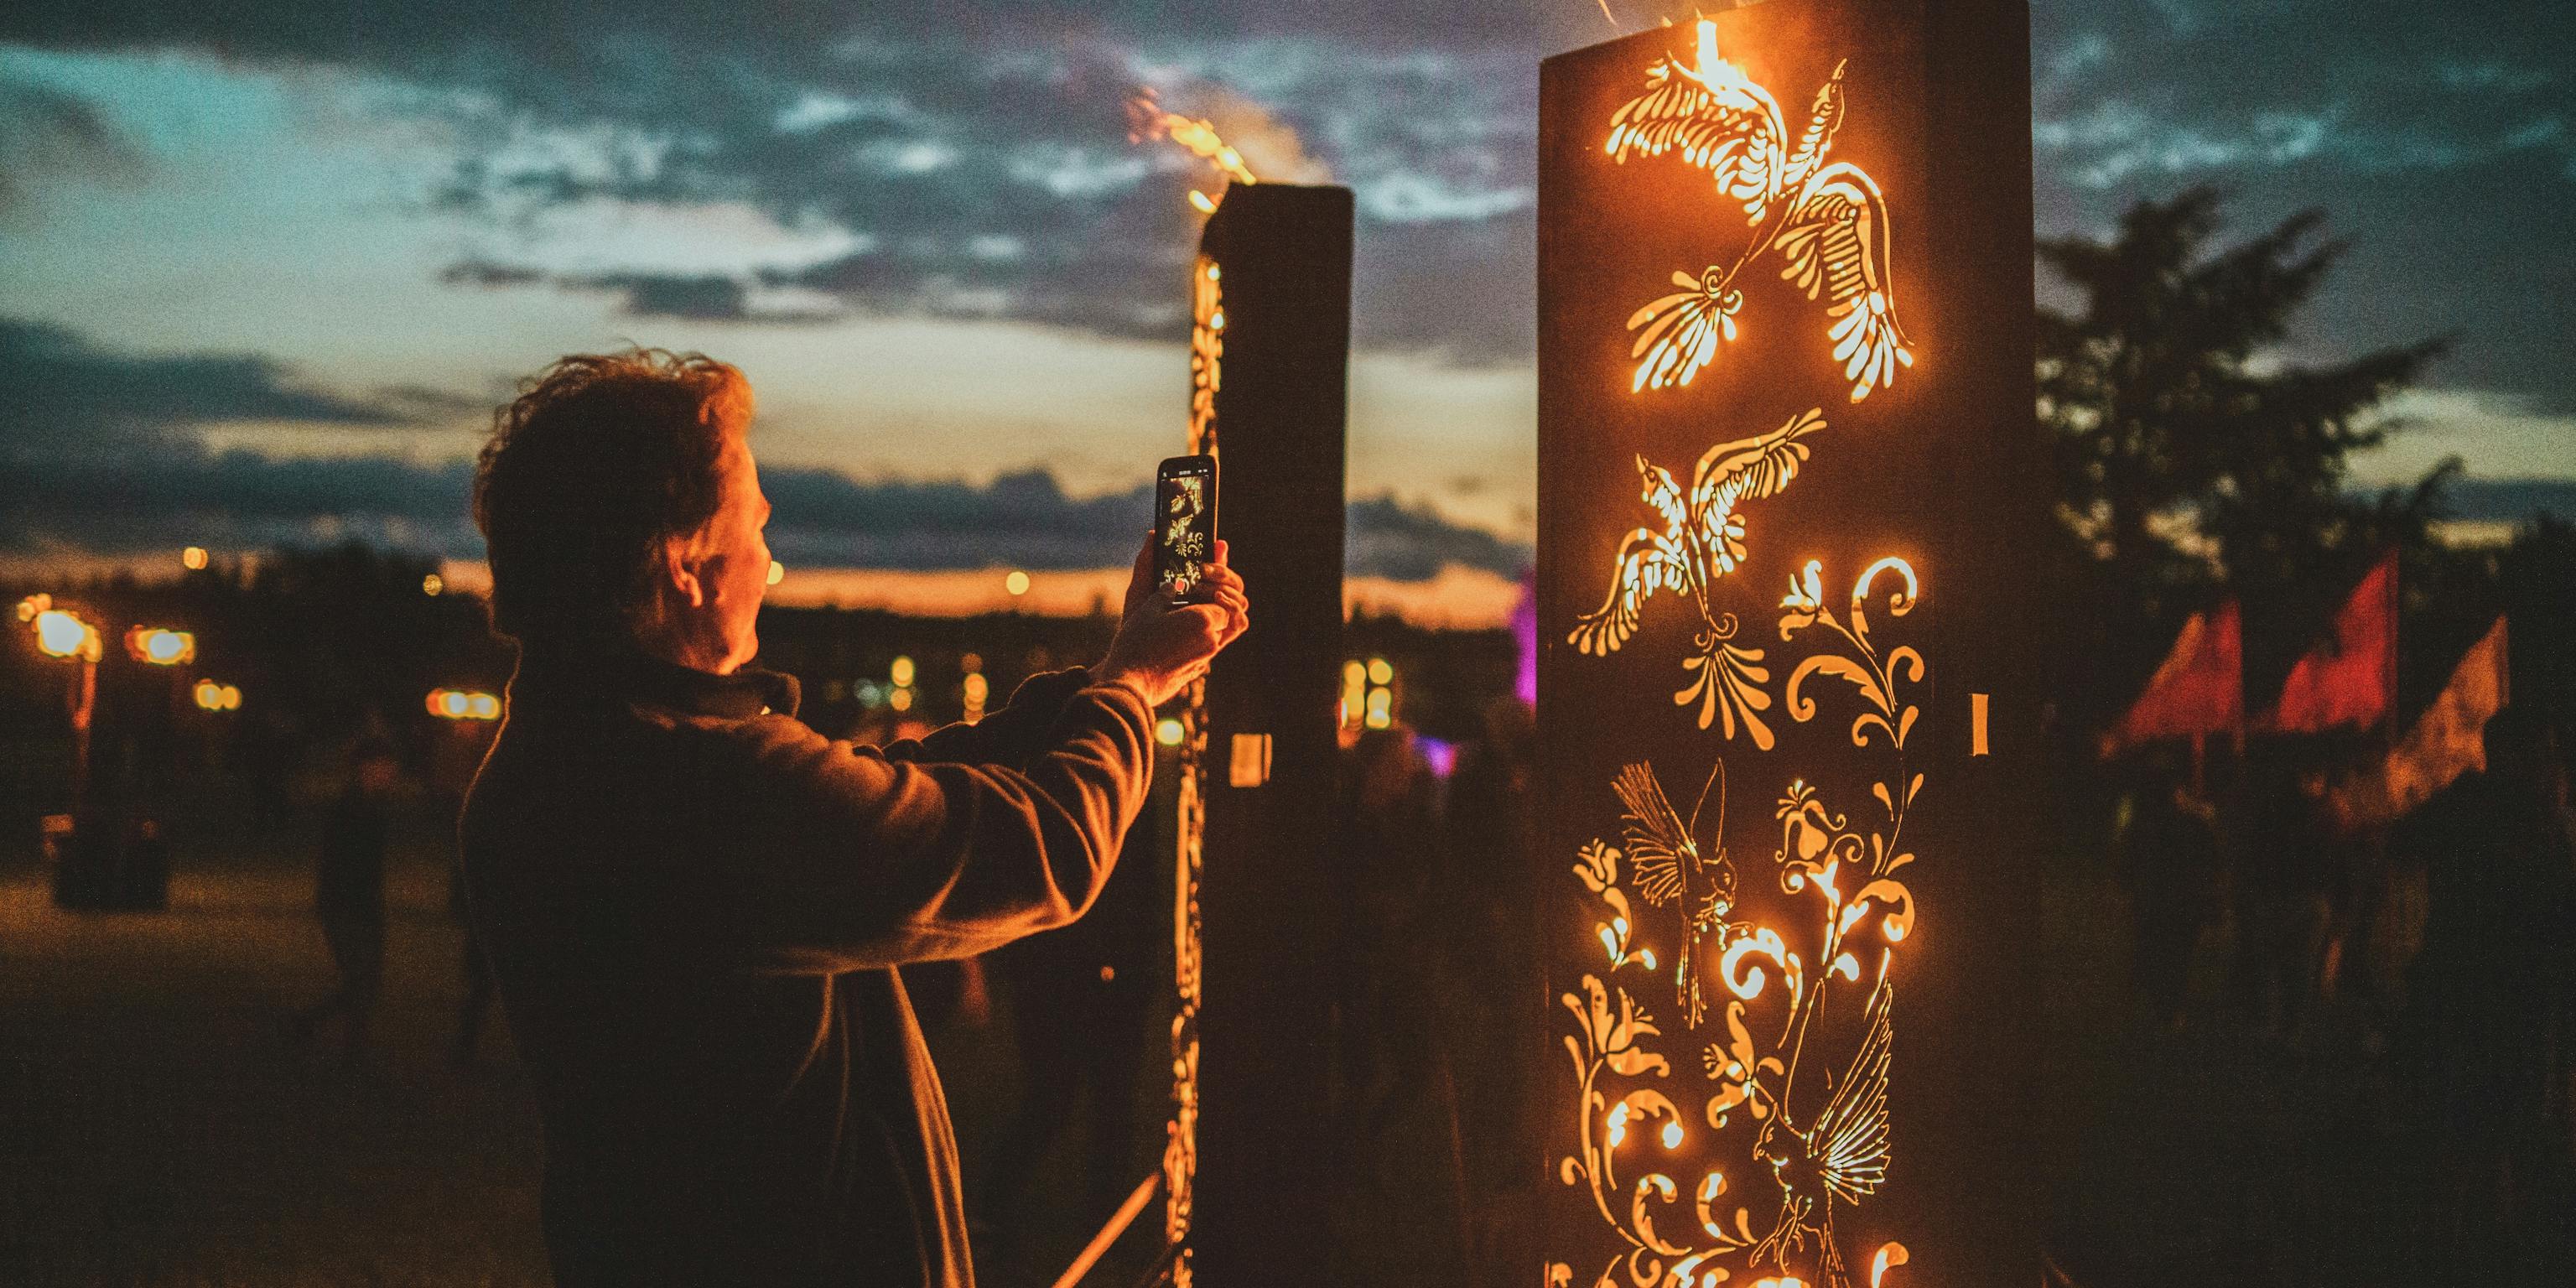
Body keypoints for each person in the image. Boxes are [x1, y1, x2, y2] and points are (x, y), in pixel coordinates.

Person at [458, 350, 1247, 1288]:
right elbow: (1038, 851)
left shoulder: (574, 753)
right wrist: (1134, 687)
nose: (770, 563)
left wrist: (1093, 688)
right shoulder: (692, 787)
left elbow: (886, 792)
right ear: (686, 565)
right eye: (756, 526)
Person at [292, 725, 400, 1062]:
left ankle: (311, 1025)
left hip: (361, 905)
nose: (390, 772)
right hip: (345, 905)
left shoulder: (371, 807)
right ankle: (351, 1052)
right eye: (384, 765)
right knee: (361, 980)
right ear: (366, 767)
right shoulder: (352, 808)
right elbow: (341, 862)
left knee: (365, 982)